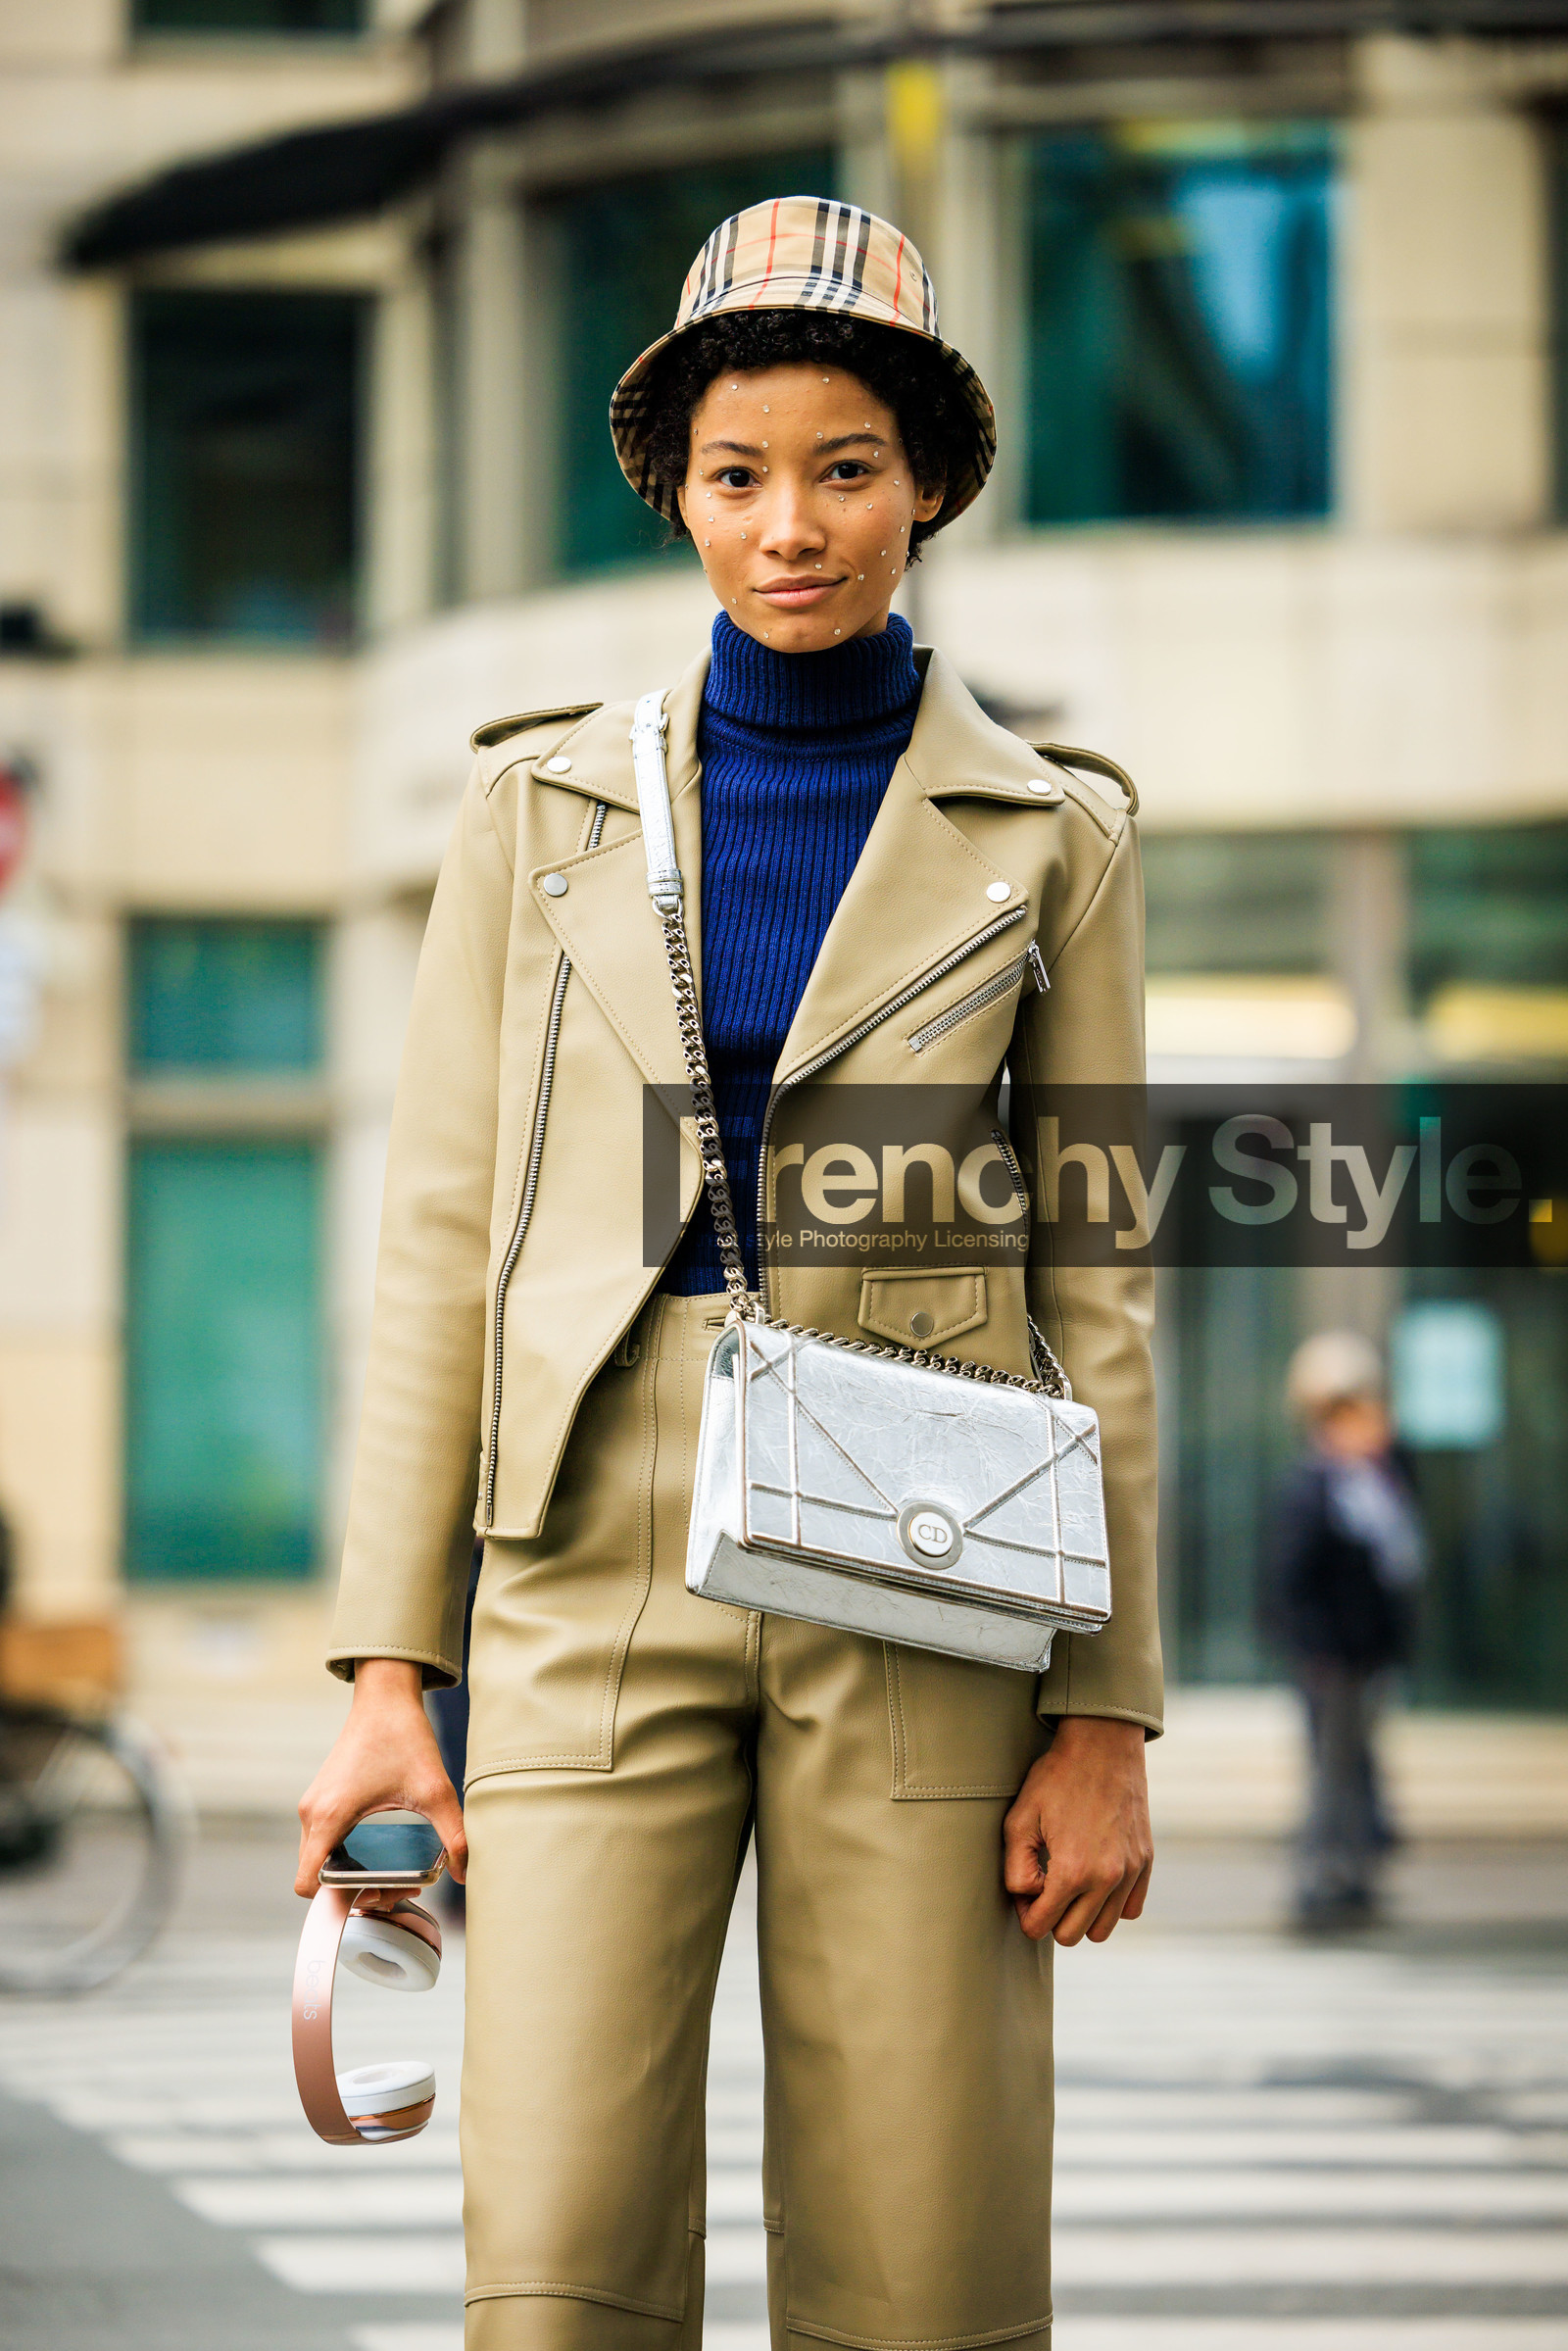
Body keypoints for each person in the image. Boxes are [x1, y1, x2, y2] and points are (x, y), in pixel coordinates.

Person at [297, 196, 1161, 2351]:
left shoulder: (1048, 836)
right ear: (676, 490)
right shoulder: (535, 817)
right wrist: (384, 1675)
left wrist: (1108, 1707)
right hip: (582, 1546)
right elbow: (436, 1252)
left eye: (844, 467)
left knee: (921, 2246)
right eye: (739, 473)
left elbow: (1100, 1277)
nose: (793, 525)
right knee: (560, 2242)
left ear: (930, 482)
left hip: (931, 1543)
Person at [1267, 1331, 1425, 1932]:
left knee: (1358, 1761)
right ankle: (1322, 1872)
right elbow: (1290, 1581)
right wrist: (1312, 1647)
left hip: (1368, 1652)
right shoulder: (1311, 1488)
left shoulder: (1382, 1480)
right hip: (1329, 1655)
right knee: (1330, 1768)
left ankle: (1358, 1866)